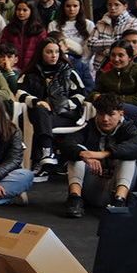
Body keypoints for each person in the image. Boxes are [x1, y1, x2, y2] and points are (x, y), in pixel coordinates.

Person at [58, 93, 137, 217]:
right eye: (101, 114)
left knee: (128, 157)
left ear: (121, 113)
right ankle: (75, 199)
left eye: (111, 114)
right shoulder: (90, 127)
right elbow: (67, 143)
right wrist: (83, 155)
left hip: (116, 186)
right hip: (92, 186)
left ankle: (119, 202)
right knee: (78, 153)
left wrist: (104, 154)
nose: (105, 119)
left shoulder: (128, 128)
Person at [18, 38, 86, 173]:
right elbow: (19, 93)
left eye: (56, 52)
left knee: (41, 120)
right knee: (40, 111)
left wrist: (63, 104)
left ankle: (43, 156)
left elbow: (81, 95)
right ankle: (46, 154)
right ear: (41, 53)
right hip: (38, 114)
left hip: (65, 115)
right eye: (49, 52)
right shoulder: (30, 74)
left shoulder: (69, 72)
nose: (54, 55)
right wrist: (36, 101)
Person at [92, 43, 137, 121]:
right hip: (115, 108)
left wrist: (112, 101)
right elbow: (93, 92)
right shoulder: (107, 75)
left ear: (130, 57)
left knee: (114, 111)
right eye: (113, 55)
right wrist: (95, 96)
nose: (116, 59)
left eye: (121, 55)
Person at [87, 0, 137, 75]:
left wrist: (105, 50)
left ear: (125, 6)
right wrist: (116, 42)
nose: (112, 8)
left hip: (125, 68)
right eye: (109, 5)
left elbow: (130, 46)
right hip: (100, 66)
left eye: (116, 5)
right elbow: (91, 44)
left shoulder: (133, 22)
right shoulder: (101, 23)